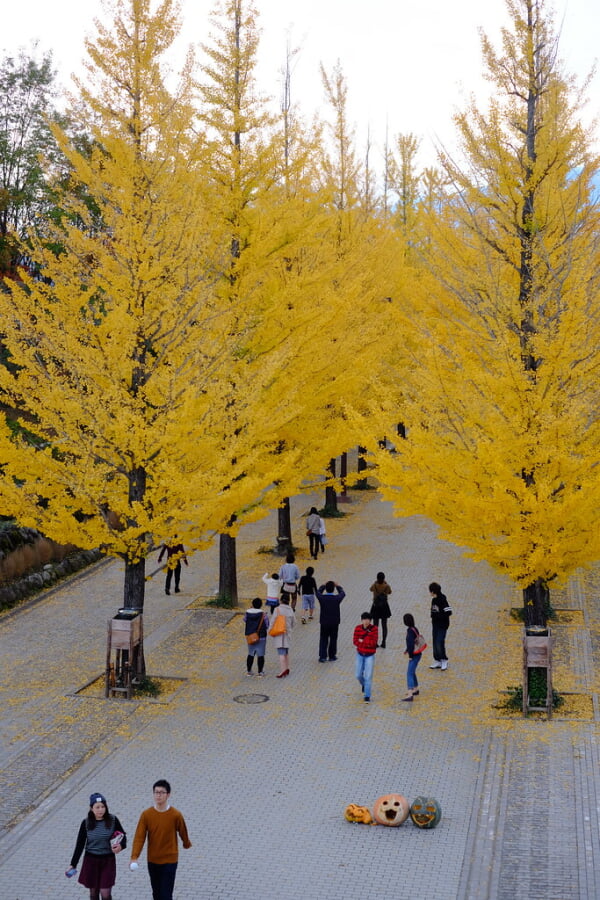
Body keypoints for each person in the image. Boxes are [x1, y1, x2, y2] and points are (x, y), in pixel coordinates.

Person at [130, 779, 191, 900]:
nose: (158, 795)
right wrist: (134, 856)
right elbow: (139, 837)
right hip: (153, 860)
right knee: (156, 893)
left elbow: (183, 830)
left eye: (162, 792)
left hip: (170, 859)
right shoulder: (146, 815)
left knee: (166, 895)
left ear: (168, 795)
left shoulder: (175, 815)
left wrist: (186, 843)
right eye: (156, 792)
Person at [67, 792, 126, 900]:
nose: (100, 810)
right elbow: (80, 845)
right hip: (91, 861)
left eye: (103, 806)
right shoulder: (86, 823)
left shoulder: (113, 820)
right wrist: (73, 864)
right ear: (91, 808)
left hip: (107, 860)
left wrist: (120, 847)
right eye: (97, 807)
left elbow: (123, 837)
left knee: (105, 893)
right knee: (94, 893)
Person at [315, 580, 345, 662]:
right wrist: (338, 586)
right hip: (334, 622)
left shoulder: (322, 598)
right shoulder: (336, 598)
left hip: (324, 622)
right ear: (333, 589)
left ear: (326, 589)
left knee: (323, 638)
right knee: (333, 639)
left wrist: (323, 586)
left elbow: (317, 592)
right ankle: (332, 656)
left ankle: (322, 656)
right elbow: (343, 593)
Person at [353, 612, 378, 702]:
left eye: (368, 619)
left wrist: (362, 642)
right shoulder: (357, 628)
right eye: (364, 619)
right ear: (362, 620)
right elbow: (355, 641)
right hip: (360, 654)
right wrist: (365, 642)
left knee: (368, 676)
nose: (366, 621)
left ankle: (367, 695)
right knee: (358, 674)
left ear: (370, 620)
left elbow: (374, 643)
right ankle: (364, 684)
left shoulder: (374, 629)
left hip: (369, 655)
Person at [270, 593, 295, 677]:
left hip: (279, 634)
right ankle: (287, 668)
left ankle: (283, 670)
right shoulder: (290, 610)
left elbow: (272, 621)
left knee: (281, 653)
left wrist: (269, 630)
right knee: (286, 652)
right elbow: (294, 622)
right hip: (287, 634)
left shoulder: (277, 610)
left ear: (281, 600)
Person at [429, 581, 453, 670]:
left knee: (439, 641)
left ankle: (444, 659)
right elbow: (433, 611)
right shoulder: (433, 600)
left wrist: (439, 616)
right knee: (435, 642)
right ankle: (437, 660)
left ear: (433, 591)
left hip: (442, 625)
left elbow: (449, 612)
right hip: (435, 625)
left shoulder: (443, 600)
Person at [244, 598, 269, 676]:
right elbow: (267, 625)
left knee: (251, 653)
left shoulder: (247, 613)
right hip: (261, 636)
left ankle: (249, 671)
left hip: (250, 635)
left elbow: (245, 620)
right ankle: (260, 672)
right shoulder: (263, 615)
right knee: (260, 654)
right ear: (260, 605)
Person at [402, 613, 423, 701]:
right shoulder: (415, 629)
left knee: (409, 673)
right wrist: (407, 649)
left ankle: (410, 693)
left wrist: (410, 655)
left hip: (414, 654)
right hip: (418, 653)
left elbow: (411, 643)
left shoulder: (409, 631)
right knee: (412, 671)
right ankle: (415, 689)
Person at [369, 571, 392, 648]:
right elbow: (390, 592)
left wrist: (375, 583)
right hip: (384, 606)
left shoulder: (375, 585)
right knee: (384, 625)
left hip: (376, 606)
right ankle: (384, 642)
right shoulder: (386, 586)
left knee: (375, 625)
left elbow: (370, 589)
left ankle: (375, 642)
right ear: (384, 579)